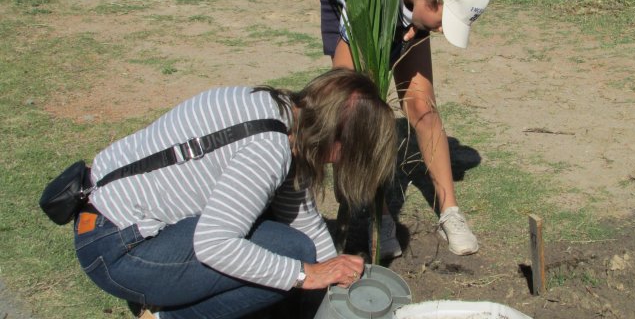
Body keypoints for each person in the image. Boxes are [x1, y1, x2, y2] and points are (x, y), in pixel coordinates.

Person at [73, 69, 398, 319]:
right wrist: (307, 274)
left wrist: (336, 283)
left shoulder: (281, 114)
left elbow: (304, 220)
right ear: (339, 141)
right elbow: (214, 245)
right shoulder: (268, 148)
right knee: (291, 251)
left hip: (103, 223)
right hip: (118, 248)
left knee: (296, 246)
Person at [319, 0, 494, 256]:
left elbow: (418, 103)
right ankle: (378, 213)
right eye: (444, 21)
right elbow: (348, 97)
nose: (442, 31)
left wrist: (414, 26)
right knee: (354, 107)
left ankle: (450, 213)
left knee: (421, 105)